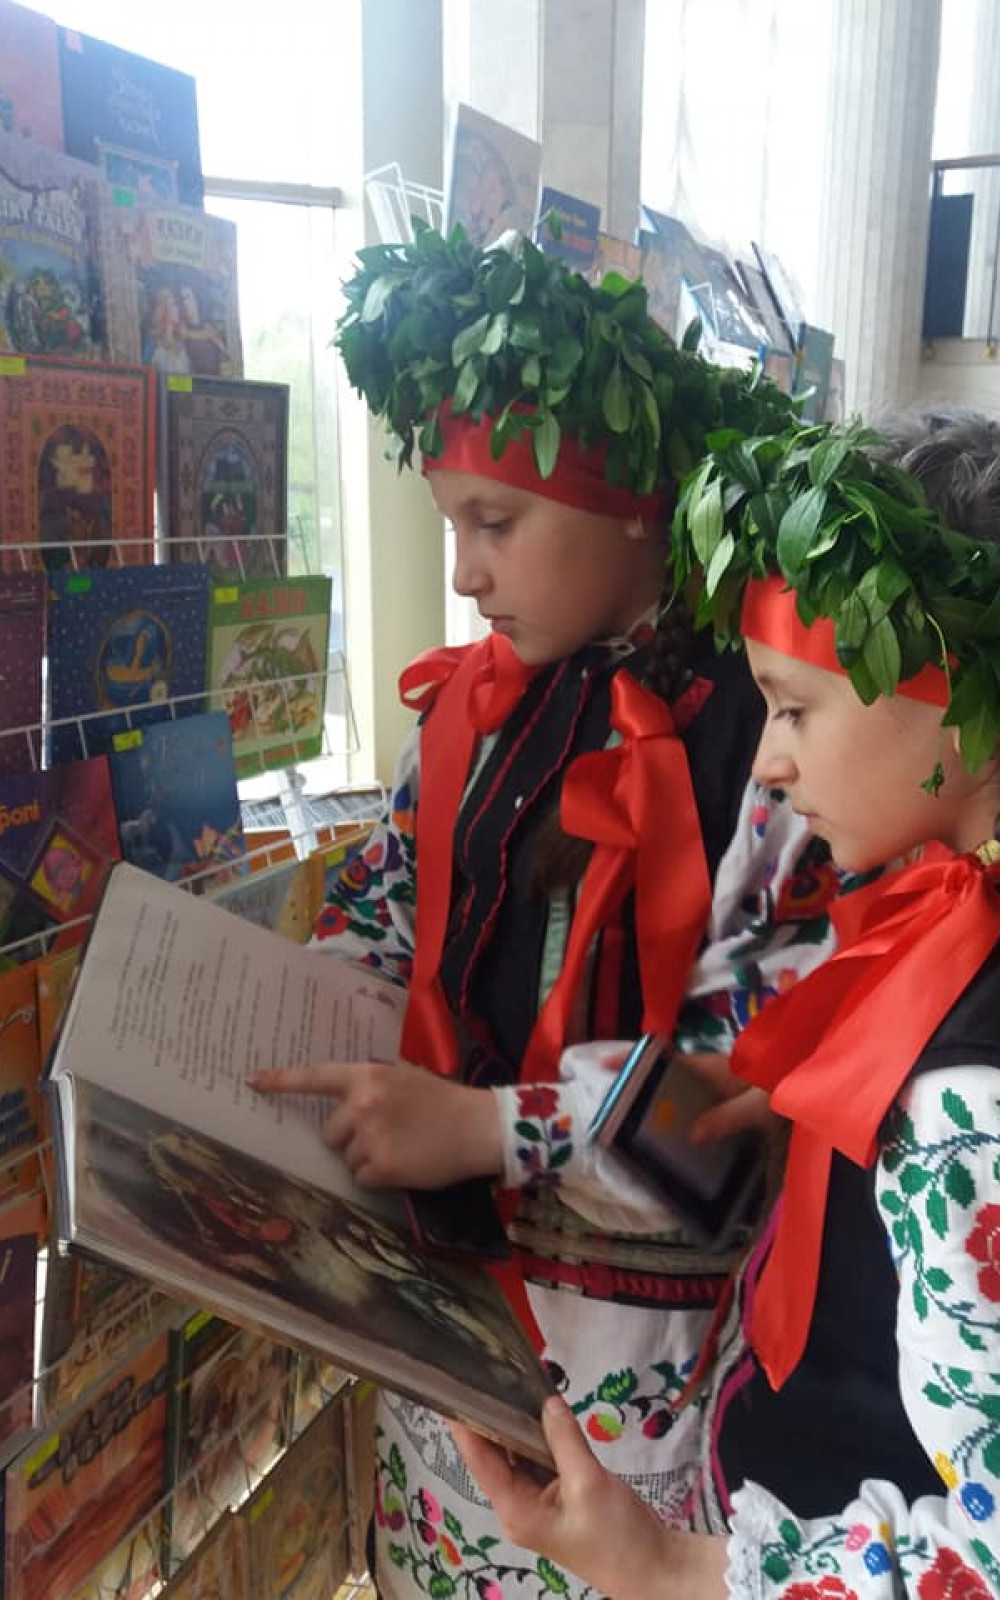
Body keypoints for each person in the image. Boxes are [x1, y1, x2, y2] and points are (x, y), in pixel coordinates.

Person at [249, 225, 843, 1600]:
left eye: (494, 524)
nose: (464, 573)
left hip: (637, 1386)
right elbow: (385, 901)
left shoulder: (770, 744)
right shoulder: (466, 710)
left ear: (632, 500)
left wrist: (484, 1127)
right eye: (449, 525)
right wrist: (307, 1016)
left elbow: (745, 1098)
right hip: (436, 1338)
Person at [451, 409, 1000, 1600]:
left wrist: (668, 1567)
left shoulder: (981, 1106)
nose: (766, 759)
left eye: (795, 707)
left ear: (964, 698)